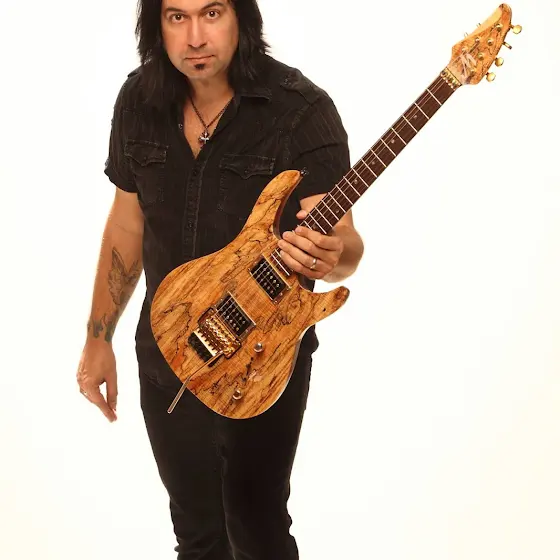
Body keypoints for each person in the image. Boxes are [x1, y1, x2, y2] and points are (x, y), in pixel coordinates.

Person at [76, 0, 364, 558]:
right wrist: (97, 338)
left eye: (211, 13)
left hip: (264, 358)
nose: (195, 38)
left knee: (257, 528)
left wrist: (332, 255)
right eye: (176, 17)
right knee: (197, 533)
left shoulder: (301, 111)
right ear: (156, 24)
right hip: (169, 349)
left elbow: (345, 244)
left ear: (241, 17)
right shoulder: (138, 101)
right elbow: (127, 225)